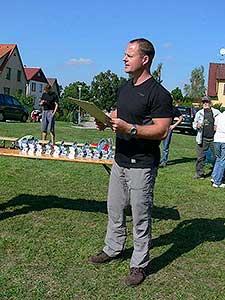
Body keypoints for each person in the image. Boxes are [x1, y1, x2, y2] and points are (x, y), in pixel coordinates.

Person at [89, 38, 173, 286]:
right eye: (124, 54)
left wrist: (131, 129)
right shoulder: (125, 88)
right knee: (114, 210)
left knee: (140, 217)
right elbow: (119, 114)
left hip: (142, 164)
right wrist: (106, 120)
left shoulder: (159, 94)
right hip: (120, 161)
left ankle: (139, 264)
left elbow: (161, 130)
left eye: (129, 55)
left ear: (144, 59)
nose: (124, 58)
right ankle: (113, 248)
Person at [192, 96, 220, 179]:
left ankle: (216, 175)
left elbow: (222, 123)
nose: (205, 104)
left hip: (214, 139)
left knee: (216, 157)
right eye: (204, 102)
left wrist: (217, 126)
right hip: (202, 138)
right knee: (200, 157)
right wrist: (196, 125)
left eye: (207, 102)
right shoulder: (199, 113)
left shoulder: (217, 112)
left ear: (210, 103)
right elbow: (194, 123)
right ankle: (199, 174)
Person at [211, 110, 225, 188]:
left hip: (216, 139)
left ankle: (214, 177)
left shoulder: (219, 116)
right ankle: (217, 182)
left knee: (218, 159)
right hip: (224, 140)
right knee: (223, 161)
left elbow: (215, 128)